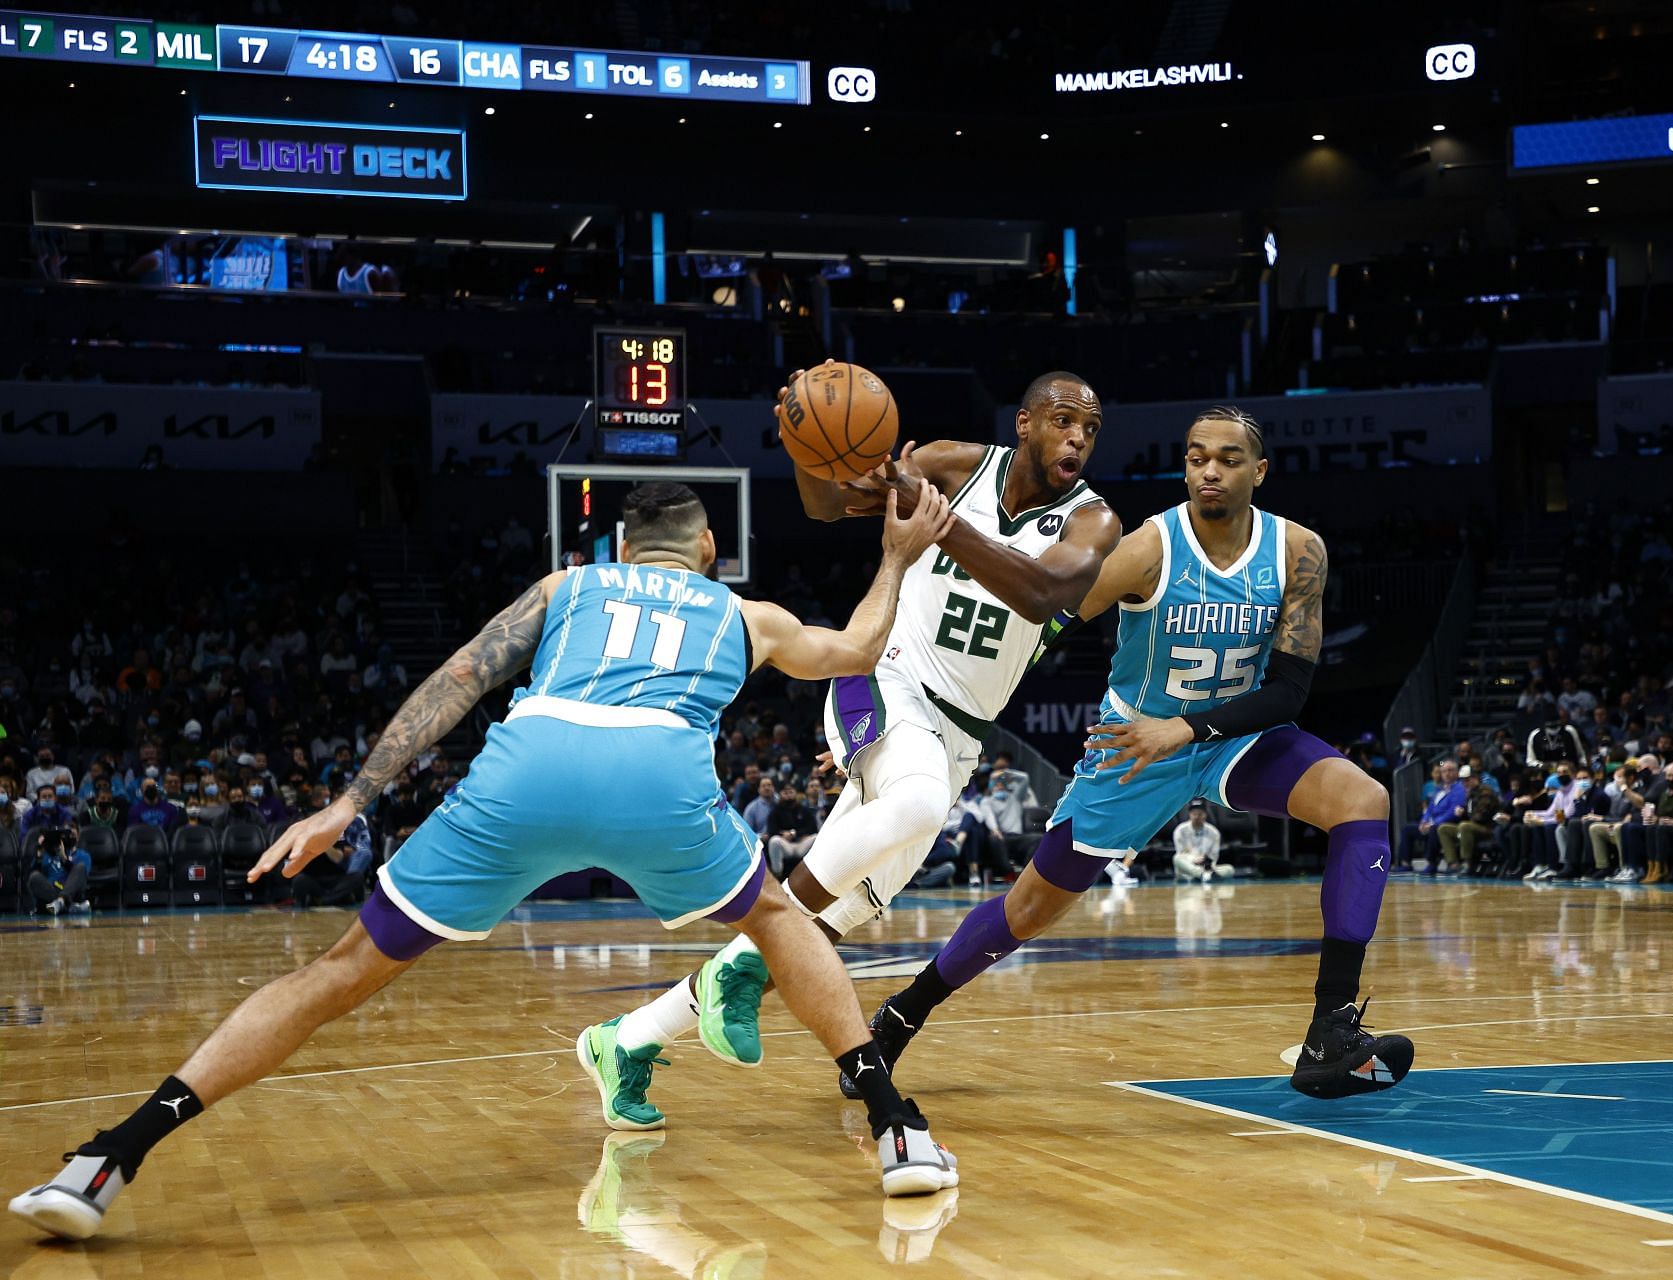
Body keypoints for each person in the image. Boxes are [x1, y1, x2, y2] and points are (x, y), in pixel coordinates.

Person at [10, 481, 962, 1242]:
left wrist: (350, 802)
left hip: (530, 767)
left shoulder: (565, 587)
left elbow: (460, 676)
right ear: (707, 549)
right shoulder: (742, 612)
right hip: (656, 779)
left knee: (337, 973)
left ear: (620, 552)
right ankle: (894, 1123)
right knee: (778, 920)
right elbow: (859, 648)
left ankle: (110, 1154)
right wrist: (893, 555)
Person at [584, 369, 1120, 1118]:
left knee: (825, 923)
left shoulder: (1093, 523)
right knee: (920, 803)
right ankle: (733, 969)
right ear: (1025, 423)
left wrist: (937, 521)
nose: (1077, 439)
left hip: (958, 732)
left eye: (1090, 430)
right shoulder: (949, 464)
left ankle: (631, 1038)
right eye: (1064, 421)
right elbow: (830, 503)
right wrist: (806, 445)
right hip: (883, 674)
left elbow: (1041, 593)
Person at [860, 406, 1410, 1102]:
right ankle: (906, 1010)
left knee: (1363, 800)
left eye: (1229, 459)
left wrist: (1187, 729)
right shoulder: (1149, 548)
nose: (1209, 469)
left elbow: (1290, 692)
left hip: (1228, 735)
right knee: (1029, 909)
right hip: (1134, 748)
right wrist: (902, 707)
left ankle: (1330, 1032)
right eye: (1196, 456)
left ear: (1260, 471)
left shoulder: (1299, 550)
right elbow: (1042, 612)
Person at [764, 781, 819, 877]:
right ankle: (777, 874)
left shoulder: (803, 809)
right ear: (780, 794)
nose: (788, 795)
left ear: (795, 793)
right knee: (774, 841)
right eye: (785, 792)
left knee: (816, 838)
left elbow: (812, 828)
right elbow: (771, 830)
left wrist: (795, 833)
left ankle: (815, 874)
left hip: (801, 844)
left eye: (791, 792)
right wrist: (783, 835)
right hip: (786, 846)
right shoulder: (775, 811)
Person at [1172, 800, 1230, 883]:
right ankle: (1201, 875)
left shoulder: (1214, 832)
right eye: (1194, 814)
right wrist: (1194, 859)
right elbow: (1181, 853)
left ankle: (1205, 875)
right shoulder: (1180, 830)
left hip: (1206, 867)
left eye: (1199, 814)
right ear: (1189, 814)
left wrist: (1205, 862)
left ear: (1205, 815)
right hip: (1188, 868)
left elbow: (1214, 856)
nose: (1196, 817)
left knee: (1229, 869)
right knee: (1176, 858)